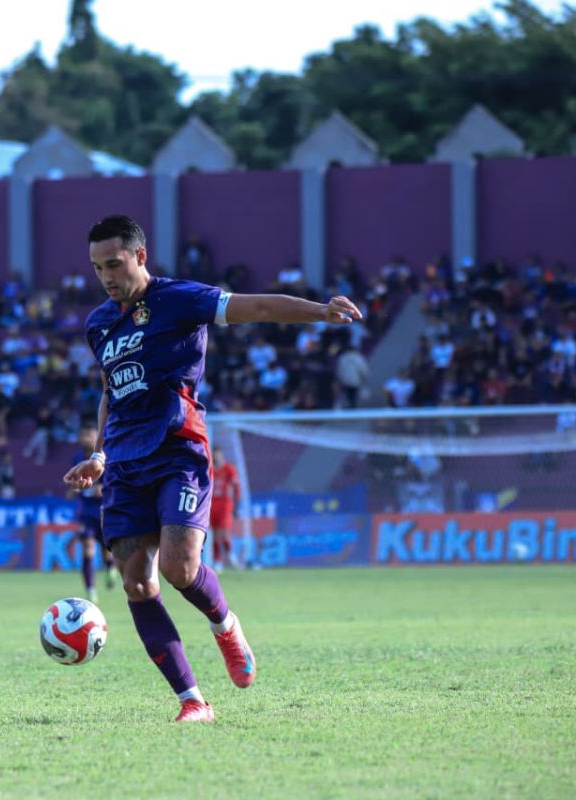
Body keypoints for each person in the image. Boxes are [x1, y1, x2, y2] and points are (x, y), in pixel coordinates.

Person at [63, 215, 361, 723]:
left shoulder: (179, 298)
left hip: (179, 449)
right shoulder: (98, 324)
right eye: (97, 268)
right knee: (137, 583)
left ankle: (224, 624)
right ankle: (192, 701)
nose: (106, 276)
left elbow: (259, 306)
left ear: (140, 256)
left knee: (179, 568)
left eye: (113, 264)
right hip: (124, 465)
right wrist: (100, 455)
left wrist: (320, 312)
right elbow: (111, 391)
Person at [69, 423, 116, 602]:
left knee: (107, 551)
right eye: (83, 435)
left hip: (105, 510)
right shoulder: (77, 458)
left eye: (89, 435)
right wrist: (73, 489)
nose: (85, 439)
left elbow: (114, 481)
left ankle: (111, 567)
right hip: (86, 512)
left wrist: (102, 488)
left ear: (97, 436)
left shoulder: (106, 457)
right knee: (87, 549)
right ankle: (90, 590)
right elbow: (75, 483)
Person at [209, 446, 241, 572]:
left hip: (225, 504)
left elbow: (236, 487)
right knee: (215, 534)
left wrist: (237, 503)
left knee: (225, 532)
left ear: (222, 455)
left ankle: (230, 554)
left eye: (218, 454)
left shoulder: (229, 469)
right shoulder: (209, 469)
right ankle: (218, 561)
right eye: (214, 454)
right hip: (212, 504)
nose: (216, 457)